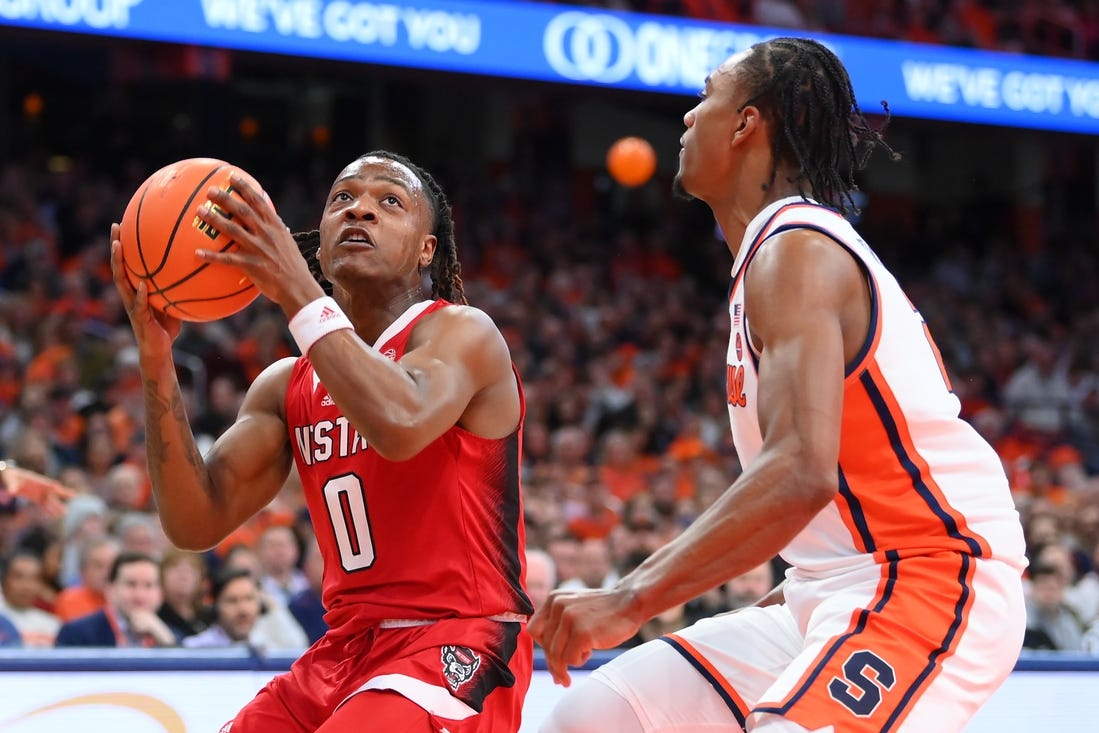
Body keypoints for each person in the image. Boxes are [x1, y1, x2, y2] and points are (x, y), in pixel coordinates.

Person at [530, 37, 1027, 733]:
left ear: (745, 124)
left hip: (931, 574)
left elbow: (799, 472)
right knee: (593, 716)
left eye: (706, 95)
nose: (685, 117)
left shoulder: (796, 248)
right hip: (823, 593)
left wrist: (631, 596)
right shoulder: (771, 255)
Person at [109, 149, 532, 732]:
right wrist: (156, 358)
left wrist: (295, 289)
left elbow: (400, 423)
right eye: (342, 199)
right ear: (324, 240)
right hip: (344, 651)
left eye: (390, 201)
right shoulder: (287, 384)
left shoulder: (461, 332)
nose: (360, 210)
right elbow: (193, 522)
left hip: (457, 638)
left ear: (426, 251)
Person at [55, 551, 177, 647]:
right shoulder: (76, 634)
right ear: (110, 589)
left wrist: (167, 643)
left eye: (149, 585)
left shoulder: (171, 635)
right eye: (131, 584)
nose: (140, 595)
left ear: (161, 593)